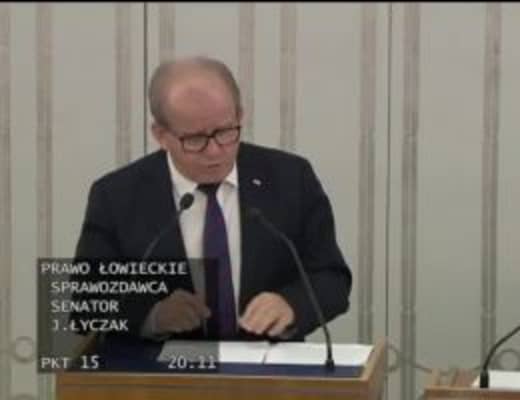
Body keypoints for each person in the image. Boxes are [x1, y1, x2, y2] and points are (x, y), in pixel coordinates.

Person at [72, 56, 351, 342]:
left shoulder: (290, 178)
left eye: (225, 132)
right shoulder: (117, 196)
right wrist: (153, 317)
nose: (215, 151)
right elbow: (86, 304)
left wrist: (292, 304)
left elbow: (331, 277)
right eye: (195, 139)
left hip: (267, 363)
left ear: (239, 116)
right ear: (161, 135)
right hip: (162, 366)